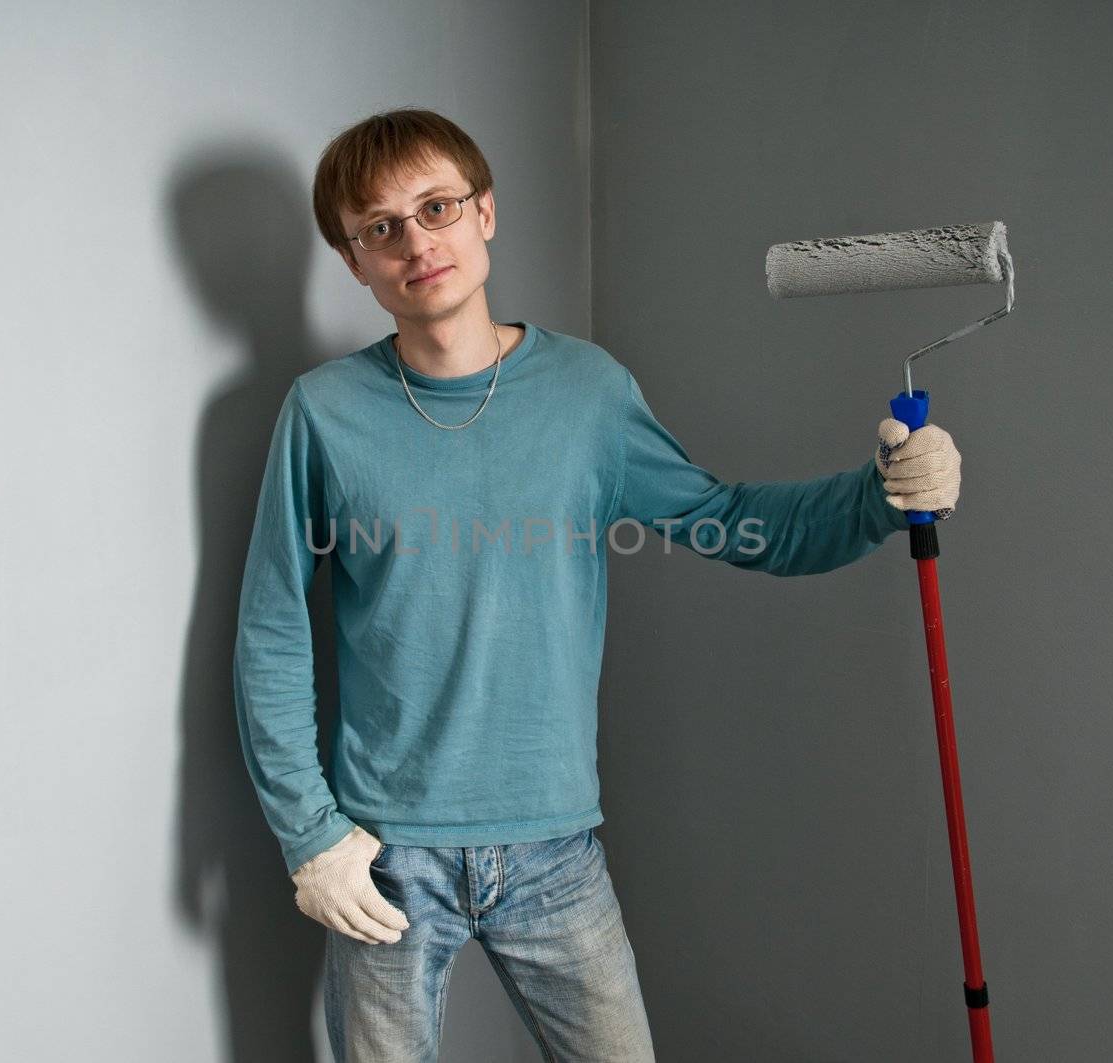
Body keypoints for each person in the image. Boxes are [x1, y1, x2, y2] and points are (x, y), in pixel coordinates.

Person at [233, 108, 960, 1063]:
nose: (418, 241)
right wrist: (310, 835)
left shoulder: (587, 394)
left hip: (554, 849)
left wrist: (879, 495)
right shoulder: (323, 414)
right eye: (382, 227)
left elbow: (737, 523)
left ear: (484, 212)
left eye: (438, 206)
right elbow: (274, 631)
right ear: (354, 261)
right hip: (384, 854)